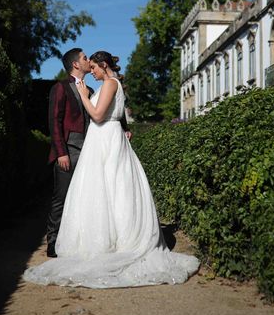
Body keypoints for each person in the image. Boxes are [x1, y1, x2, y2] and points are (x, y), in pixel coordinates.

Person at [25, 51, 199, 288]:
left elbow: (98, 115)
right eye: (88, 63)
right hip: (96, 143)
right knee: (94, 192)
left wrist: (86, 97)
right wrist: (61, 150)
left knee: (109, 191)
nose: (92, 69)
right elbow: (59, 120)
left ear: (103, 65)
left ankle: (113, 243)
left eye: (95, 66)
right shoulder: (76, 86)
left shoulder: (107, 84)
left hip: (104, 141)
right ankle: (59, 242)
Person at [44, 48, 130, 258]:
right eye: (84, 59)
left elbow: (111, 110)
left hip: (92, 149)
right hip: (69, 150)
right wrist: (61, 152)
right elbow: (54, 121)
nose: (87, 61)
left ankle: (82, 239)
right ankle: (53, 242)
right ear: (75, 64)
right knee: (62, 197)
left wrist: (125, 127)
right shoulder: (61, 87)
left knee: (86, 197)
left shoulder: (91, 89)